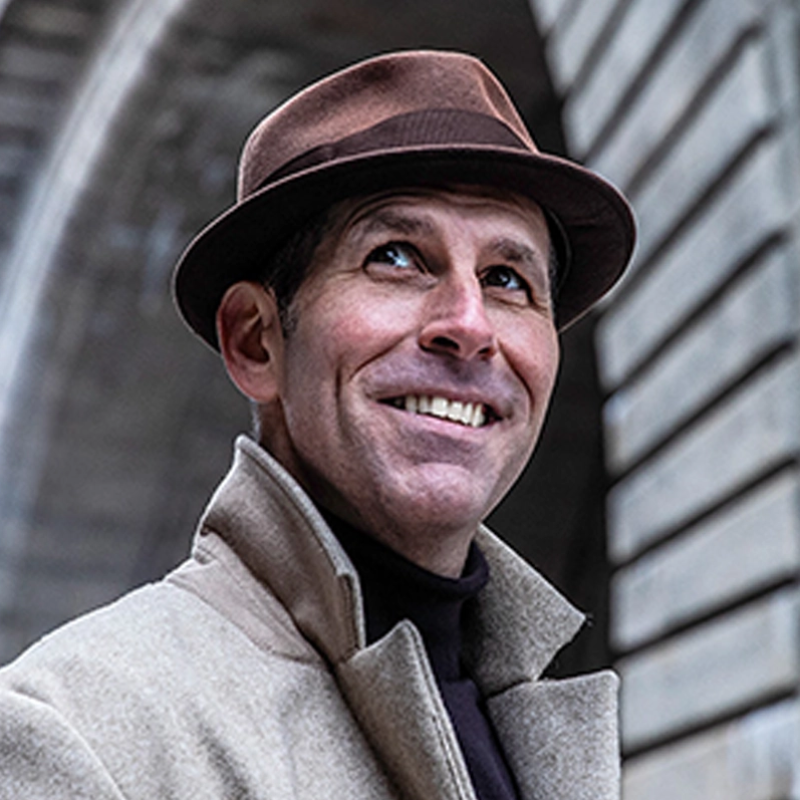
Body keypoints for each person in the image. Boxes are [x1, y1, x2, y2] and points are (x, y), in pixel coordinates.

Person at [0, 50, 635, 799]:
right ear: (256, 341)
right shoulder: (82, 733)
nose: (469, 324)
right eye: (396, 257)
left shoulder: (530, 731)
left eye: (507, 278)